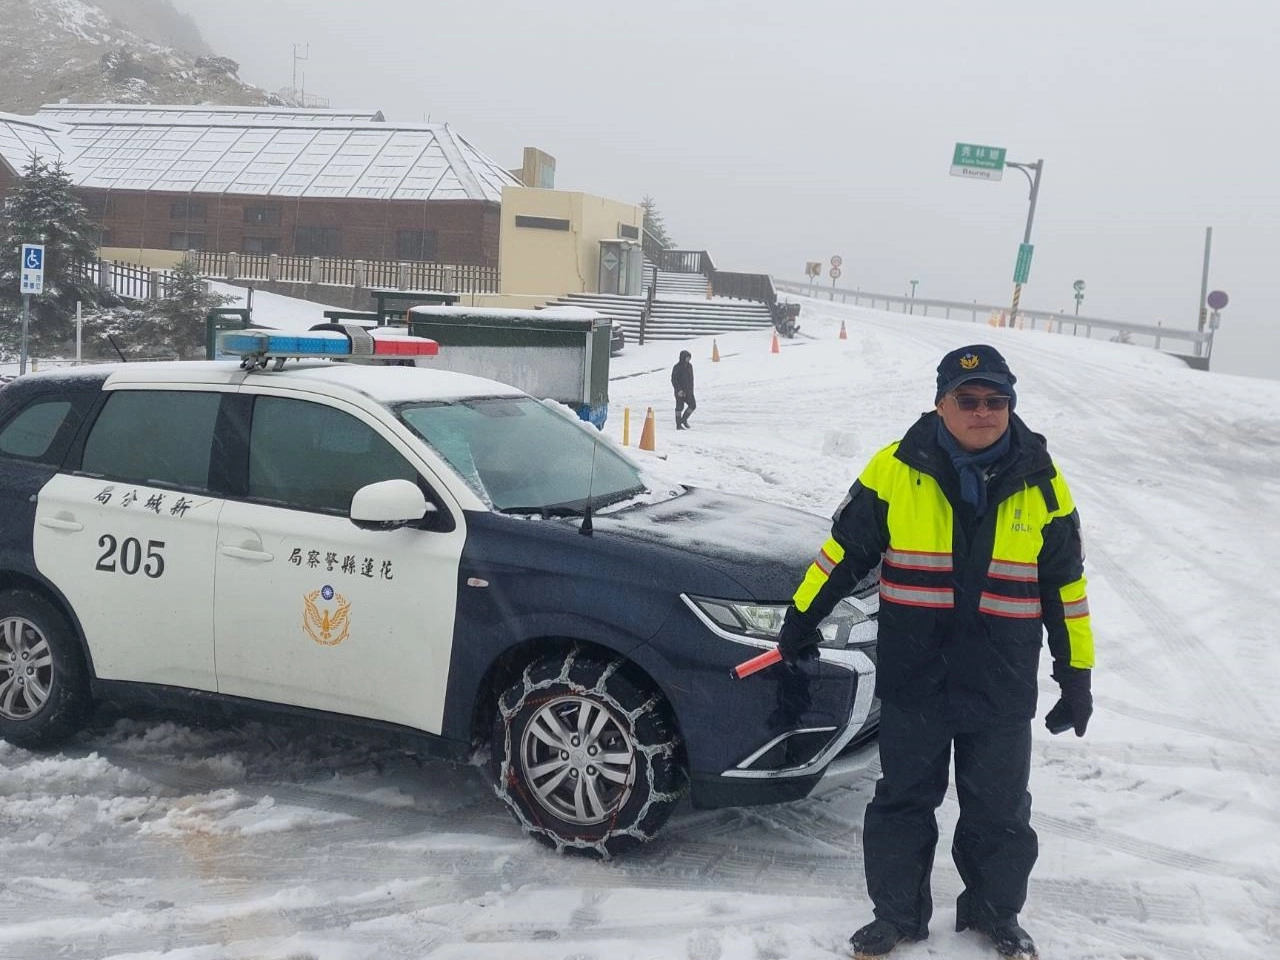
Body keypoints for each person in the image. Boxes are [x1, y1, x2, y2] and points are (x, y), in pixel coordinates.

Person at [775, 344, 1094, 960]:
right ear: (941, 403)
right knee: (902, 801)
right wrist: (801, 616)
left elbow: (1067, 590)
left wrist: (1074, 672)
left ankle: (994, 914)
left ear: (1010, 405)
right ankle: (897, 917)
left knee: (1000, 812)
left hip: (999, 683)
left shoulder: (1044, 482)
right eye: (967, 400)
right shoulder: (895, 468)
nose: (983, 412)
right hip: (915, 675)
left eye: (995, 400)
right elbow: (843, 553)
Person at [671, 349, 696, 430]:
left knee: (693, 405)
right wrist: (679, 390)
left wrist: (691, 390)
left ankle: (684, 419)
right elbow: (674, 380)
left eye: (689, 358)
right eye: (687, 358)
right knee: (679, 407)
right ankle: (678, 425)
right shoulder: (677, 367)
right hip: (680, 392)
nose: (688, 359)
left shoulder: (689, 366)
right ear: (683, 357)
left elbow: (691, 379)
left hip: (689, 391)